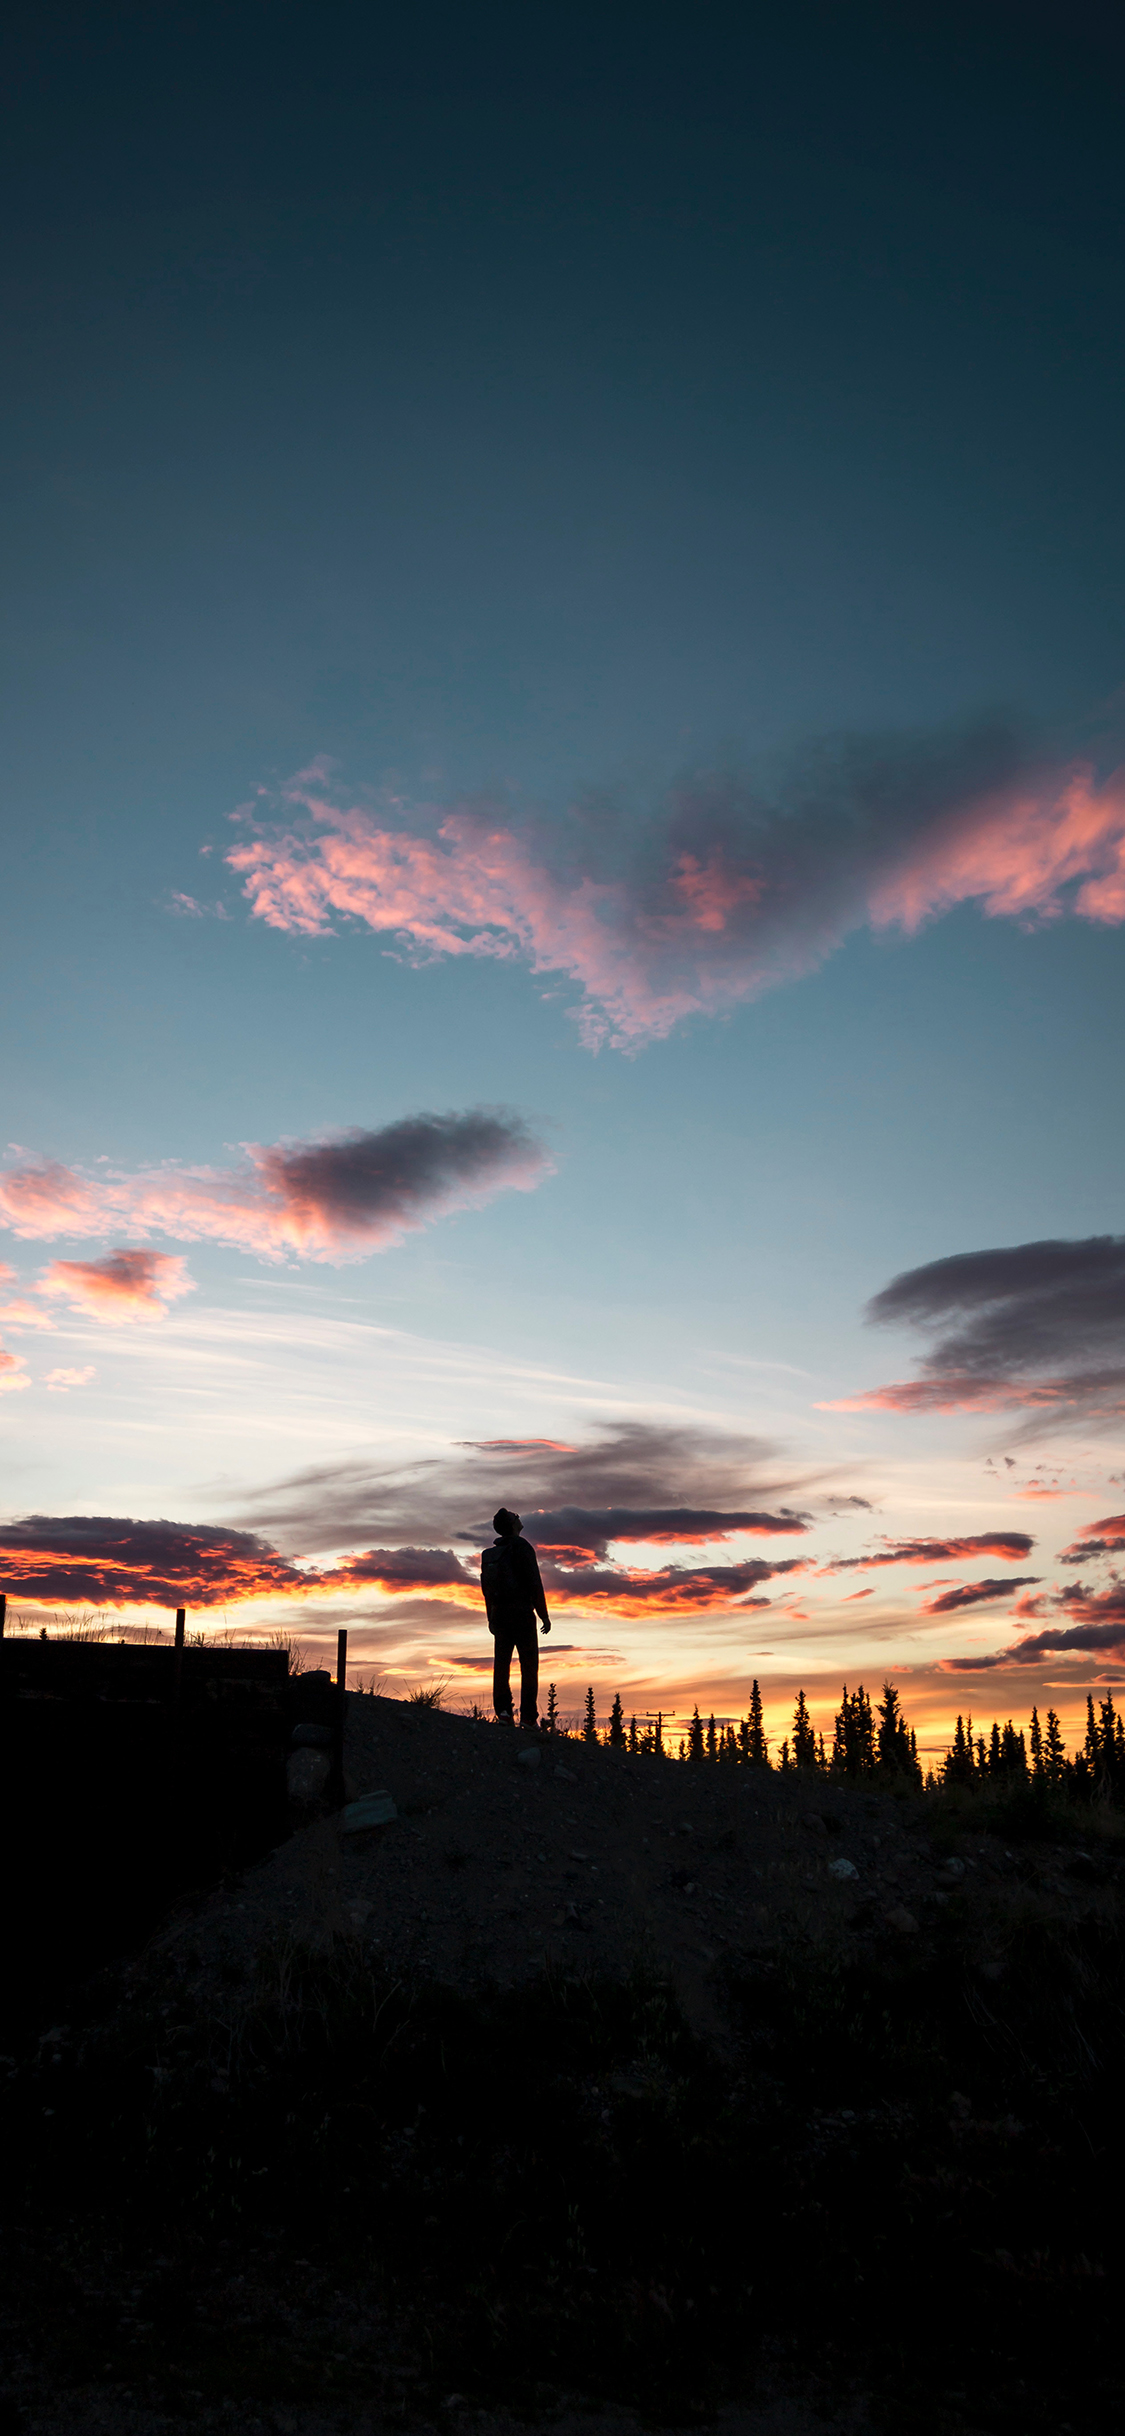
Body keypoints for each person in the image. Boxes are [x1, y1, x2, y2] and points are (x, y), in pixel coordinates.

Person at [480, 1507, 551, 1728]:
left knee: (501, 1665)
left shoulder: (489, 1555)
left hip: (499, 1615)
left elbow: (486, 1590)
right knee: (528, 1666)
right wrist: (544, 1615)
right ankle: (529, 1718)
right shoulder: (523, 1547)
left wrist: (490, 1616)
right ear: (512, 1524)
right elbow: (534, 1583)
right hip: (521, 1614)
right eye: (515, 1516)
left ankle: (503, 1712)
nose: (519, 1517)